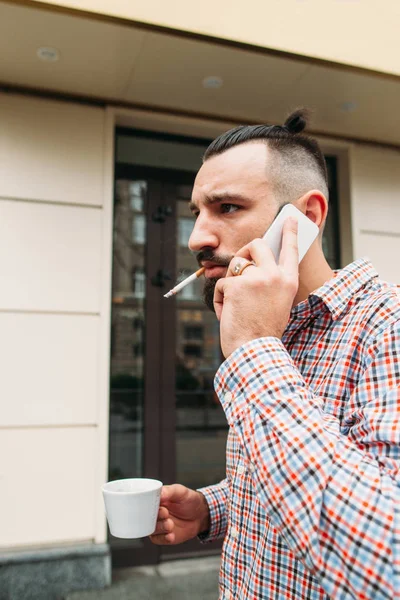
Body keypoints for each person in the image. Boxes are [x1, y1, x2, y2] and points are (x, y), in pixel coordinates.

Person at [150, 109, 400, 599]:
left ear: (306, 218)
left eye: (226, 208)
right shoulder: (271, 326)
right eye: (195, 213)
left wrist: (252, 351)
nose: (196, 238)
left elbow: (384, 562)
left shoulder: (386, 326)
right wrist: (213, 507)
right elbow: (300, 479)